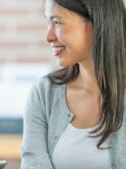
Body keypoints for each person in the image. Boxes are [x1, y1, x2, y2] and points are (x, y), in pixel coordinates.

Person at [21, 0, 126, 169]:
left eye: (57, 22)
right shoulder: (43, 93)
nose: (48, 36)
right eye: (48, 22)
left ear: (97, 22)